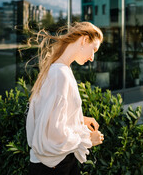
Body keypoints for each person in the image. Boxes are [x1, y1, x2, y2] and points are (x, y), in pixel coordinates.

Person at [26, 22, 105, 175]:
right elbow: (51, 132)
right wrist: (88, 138)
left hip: (55, 162)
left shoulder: (61, 68)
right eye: (94, 49)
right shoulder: (60, 73)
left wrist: (79, 118)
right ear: (83, 40)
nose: (92, 58)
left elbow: (50, 117)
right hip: (54, 165)